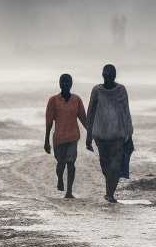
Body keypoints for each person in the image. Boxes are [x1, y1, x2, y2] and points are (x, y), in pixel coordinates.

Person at [85, 63, 134, 203]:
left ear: (114, 76)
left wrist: (129, 134)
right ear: (103, 75)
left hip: (117, 134)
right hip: (100, 134)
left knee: (116, 164)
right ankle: (110, 190)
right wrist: (88, 136)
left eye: (110, 76)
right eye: (106, 76)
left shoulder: (121, 90)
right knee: (105, 164)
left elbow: (126, 112)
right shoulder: (97, 90)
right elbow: (91, 112)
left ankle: (110, 194)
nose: (108, 78)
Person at [44, 73, 88, 199]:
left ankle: (69, 192)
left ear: (71, 84)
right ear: (59, 84)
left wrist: (91, 134)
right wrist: (46, 141)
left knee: (71, 163)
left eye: (67, 82)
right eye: (63, 82)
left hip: (73, 137)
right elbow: (49, 122)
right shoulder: (53, 100)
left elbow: (83, 119)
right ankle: (59, 179)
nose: (65, 84)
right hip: (59, 138)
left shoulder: (77, 100)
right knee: (60, 164)